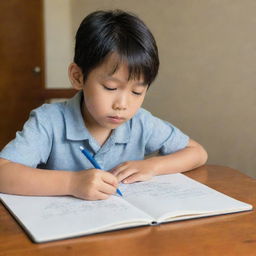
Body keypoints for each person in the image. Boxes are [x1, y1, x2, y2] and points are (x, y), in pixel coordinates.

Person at [0, 10, 207, 200]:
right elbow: (3, 172)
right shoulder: (49, 121)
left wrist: (152, 166)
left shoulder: (141, 122)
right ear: (78, 77)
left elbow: (197, 152)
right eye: (110, 87)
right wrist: (72, 183)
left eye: (137, 92)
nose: (122, 104)